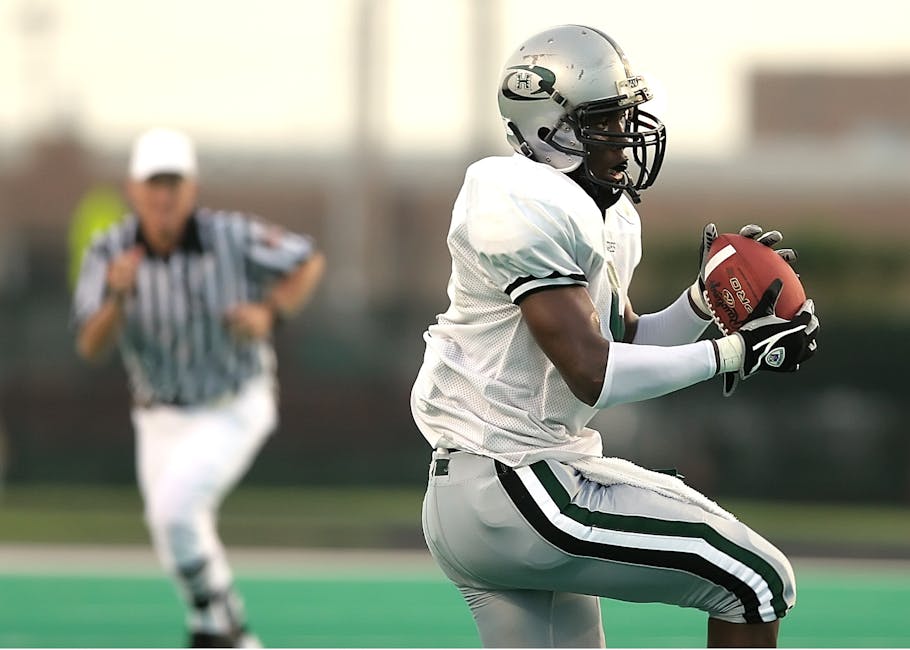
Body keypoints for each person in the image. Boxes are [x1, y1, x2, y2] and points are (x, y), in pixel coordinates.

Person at [411, 25, 819, 648]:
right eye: (604, 121)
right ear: (549, 130)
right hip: (517, 482)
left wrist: (702, 304)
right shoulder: (518, 196)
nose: (625, 138)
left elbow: (625, 345)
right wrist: (732, 353)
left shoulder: (604, 215)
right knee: (754, 580)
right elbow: (593, 372)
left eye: (627, 116)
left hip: (490, 490)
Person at [72, 127, 326, 648]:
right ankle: (222, 630)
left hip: (233, 401)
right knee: (173, 534)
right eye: (154, 183)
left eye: (174, 183)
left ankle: (220, 628)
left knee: (176, 511)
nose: (163, 195)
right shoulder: (108, 251)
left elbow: (307, 260)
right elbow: (90, 347)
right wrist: (116, 300)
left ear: (192, 189)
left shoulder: (230, 235)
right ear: (134, 189)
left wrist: (269, 312)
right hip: (157, 413)